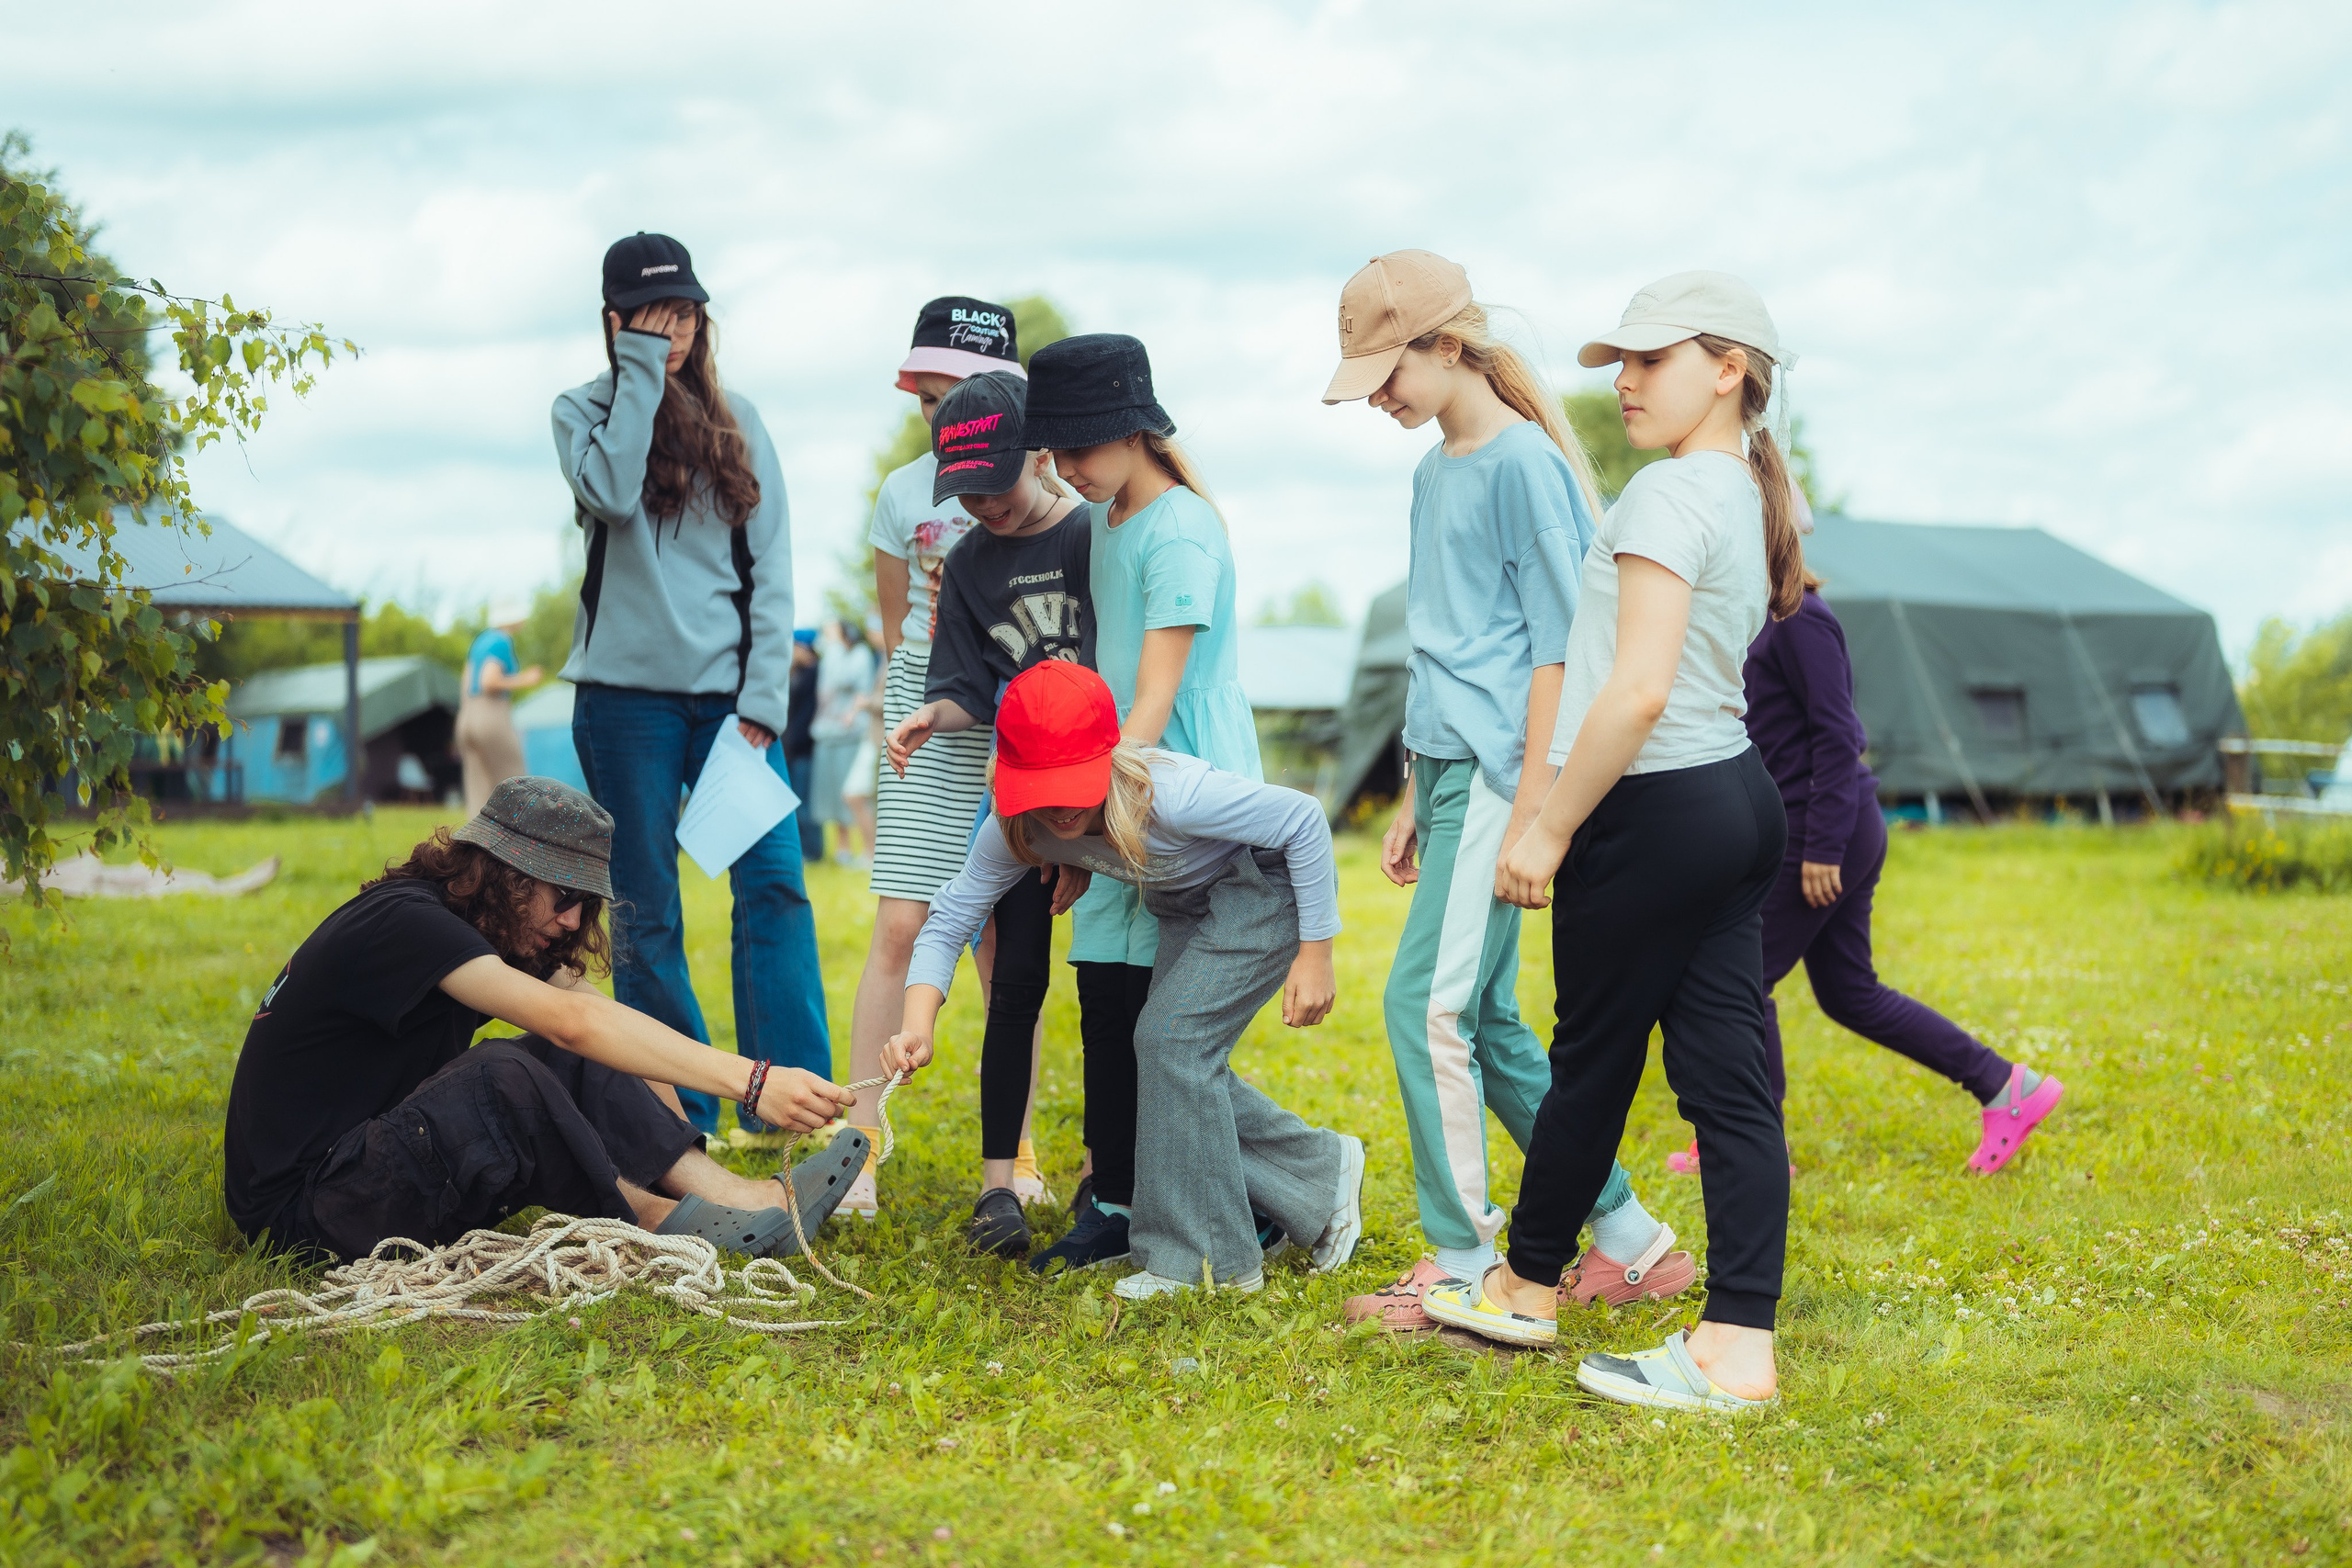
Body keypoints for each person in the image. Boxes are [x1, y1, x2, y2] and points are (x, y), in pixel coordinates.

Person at [1429, 272, 1804, 1415]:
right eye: (1621, 364)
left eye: (1650, 361)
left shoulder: (1661, 495)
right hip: (1734, 803)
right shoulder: (1741, 488)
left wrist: (1545, 828)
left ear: (1727, 366)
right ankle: (1732, 1337)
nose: (1626, 382)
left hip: (1653, 809)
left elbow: (1633, 692)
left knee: (1590, 1059)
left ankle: (1528, 1289)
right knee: (1728, 1085)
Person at [1319, 250, 1691, 1330]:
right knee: (1481, 1012)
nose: (1379, 397)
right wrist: (1405, 786)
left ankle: (1457, 1261)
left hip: (1502, 775)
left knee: (1421, 1008)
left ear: (1447, 345)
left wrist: (1536, 806)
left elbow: (1558, 654)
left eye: (1389, 371)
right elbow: (1438, 648)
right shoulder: (1436, 471)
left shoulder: (1526, 466)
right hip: (1445, 770)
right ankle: (1632, 1244)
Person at [221, 776, 867, 1262]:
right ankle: (651, 1224)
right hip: (302, 1212)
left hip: (355, 1166)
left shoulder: (483, 926)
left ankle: (741, 1201)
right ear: (507, 875)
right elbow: (569, 1021)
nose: (571, 923)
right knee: (503, 1072)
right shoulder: (408, 924)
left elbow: (594, 1018)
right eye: (566, 899)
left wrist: (663, 1118)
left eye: (586, 907)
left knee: (570, 1050)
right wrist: (755, 1083)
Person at [885, 661, 1364, 1299]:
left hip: (1263, 889)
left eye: (1071, 787)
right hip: (1190, 906)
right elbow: (948, 920)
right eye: (1041, 791)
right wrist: (917, 1023)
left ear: (1107, 760)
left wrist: (1316, 952)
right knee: (1172, 1060)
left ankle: (1213, 1263)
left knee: (1171, 1043)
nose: (1058, 812)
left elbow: (1303, 820)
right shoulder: (1020, 827)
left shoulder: (1171, 791)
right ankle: (1323, 1172)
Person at [552, 231, 829, 1136]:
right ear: (613, 322)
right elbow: (614, 496)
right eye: (650, 317)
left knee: (776, 889)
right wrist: (641, 373)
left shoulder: (739, 419)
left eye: (684, 314)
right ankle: (684, 1112)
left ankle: (797, 1104)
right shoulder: (581, 412)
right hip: (622, 706)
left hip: (729, 708)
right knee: (646, 912)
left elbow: (772, 565)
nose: (672, 331)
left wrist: (761, 700)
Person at [1657, 572, 2061, 1175]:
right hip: (1806, 828)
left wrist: (1824, 844)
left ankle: (1755, 1146)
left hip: (1825, 832)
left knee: (1742, 976)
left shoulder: (1800, 615)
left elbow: (1838, 733)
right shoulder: (1753, 616)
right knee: (1851, 992)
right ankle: (2006, 1085)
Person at [1014, 332, 1263, 1270]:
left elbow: (1157, 694)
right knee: (1102, 988)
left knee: (1164, 1012)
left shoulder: (1183, 528)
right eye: (1056, 453)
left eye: (1078, 448)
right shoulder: (1104, 525)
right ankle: (1115, 1191)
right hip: (1112, 772)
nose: (1066, 470)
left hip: (1171, 776)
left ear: (1132, 429)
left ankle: (1185, 1197)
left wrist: (1095, 814)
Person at [888, 369, 1096, 1260]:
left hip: (1104, 783)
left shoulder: (1092, 537)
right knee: (1013, 985)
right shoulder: (967, 561)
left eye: (995, 485)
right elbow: (966, 683)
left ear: (1040, 455)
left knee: (1110, 987)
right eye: (964, 492)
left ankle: (1107, 1175)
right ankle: (997, 1186)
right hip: (1017, 788)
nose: (982, 506)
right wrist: (935, 714)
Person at [842, 297, 1031, 1219]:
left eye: (957, 391)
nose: (938, 410)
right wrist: (911, 704)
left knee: (1004, 939)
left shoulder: (1047, 484)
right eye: (927, 396)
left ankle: (1017, 1149)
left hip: (1019, 704)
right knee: (900, 923)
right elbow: (895, 628)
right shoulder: (901, 492)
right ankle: (857, 1147)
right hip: (928, 697)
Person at [455, 604, 542, 814]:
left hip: (467, 715)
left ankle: (474, 845)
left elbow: (466, 682)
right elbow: (489, 681)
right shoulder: (501, 640)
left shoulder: (479, 641)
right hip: (491, 715)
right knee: (515, 785)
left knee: (478, 791)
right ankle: (519, 845)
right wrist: (526, 679)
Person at [810, 619, 880, 866]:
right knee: (830, 794)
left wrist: (835, 647)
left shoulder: (858, 654)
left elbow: (841, 679)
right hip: (826, 734)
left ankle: (867, 850)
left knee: (851, 794)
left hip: (850, 735)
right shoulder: (832, 653)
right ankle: (843, 849)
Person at [784, 629, 823, 862]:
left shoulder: (814, 672)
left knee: (805, 802)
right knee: (796, 800)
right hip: (792, 747)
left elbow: (807, 714)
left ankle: (812, 850)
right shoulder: (796, 672)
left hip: (805, 747)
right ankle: (802, 849)